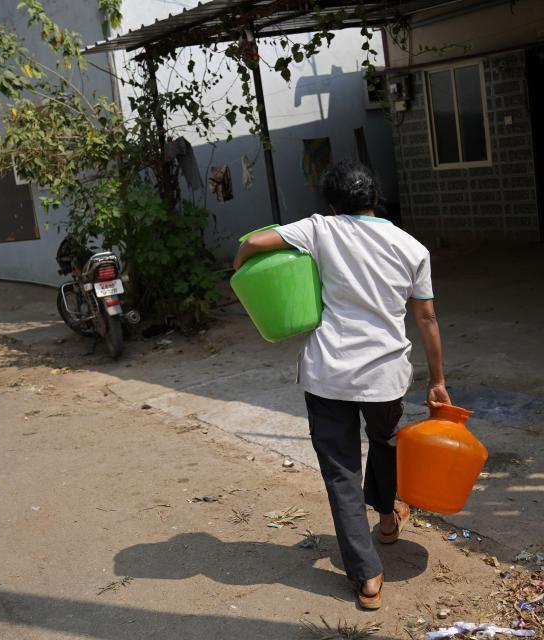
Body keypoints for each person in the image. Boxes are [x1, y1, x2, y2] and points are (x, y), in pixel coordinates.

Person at [232, 160, 450, 610]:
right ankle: (388, 519)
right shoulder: (411, 247)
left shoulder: (321, 229)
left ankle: (368, 577)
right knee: (386, 440)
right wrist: (439, 380)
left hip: (328, 374)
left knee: (341, 472)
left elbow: (254, 242)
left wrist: (240, 274)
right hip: (385, 376)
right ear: (375, 199)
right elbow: (426, 316)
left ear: (333, 204)